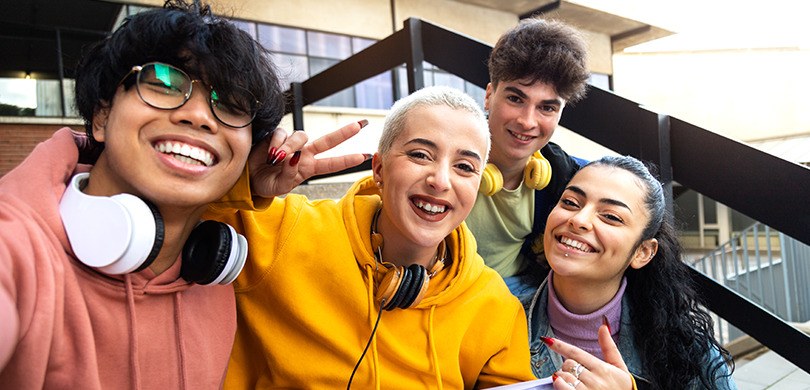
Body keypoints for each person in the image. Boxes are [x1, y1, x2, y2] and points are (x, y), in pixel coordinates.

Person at [0, 0, 298, 387]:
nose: (200, 116)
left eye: (230, 104)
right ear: (101, 116)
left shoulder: (213, 276)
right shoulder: (17, 248)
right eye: (163, 83)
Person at [205, 86, 536, 388]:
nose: (440, 180)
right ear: (379, 169)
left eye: (464, 166)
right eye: (421, 155)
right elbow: (170, 224)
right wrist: (245, 184)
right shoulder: (283, 229)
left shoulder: (495, 306)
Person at [525, 155, 736, 389]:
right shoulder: (501, 317)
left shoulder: (688, 350)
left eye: (611, 217)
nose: (579, 219)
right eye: (571, 202)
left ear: (643, 252)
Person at [463, 17, 591, 301]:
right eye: (516, 99)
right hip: (448, 290)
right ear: (489, 96)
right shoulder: (444, 158)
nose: (527, 121)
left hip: (521, 293)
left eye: (546, 107)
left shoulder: (562, 173)